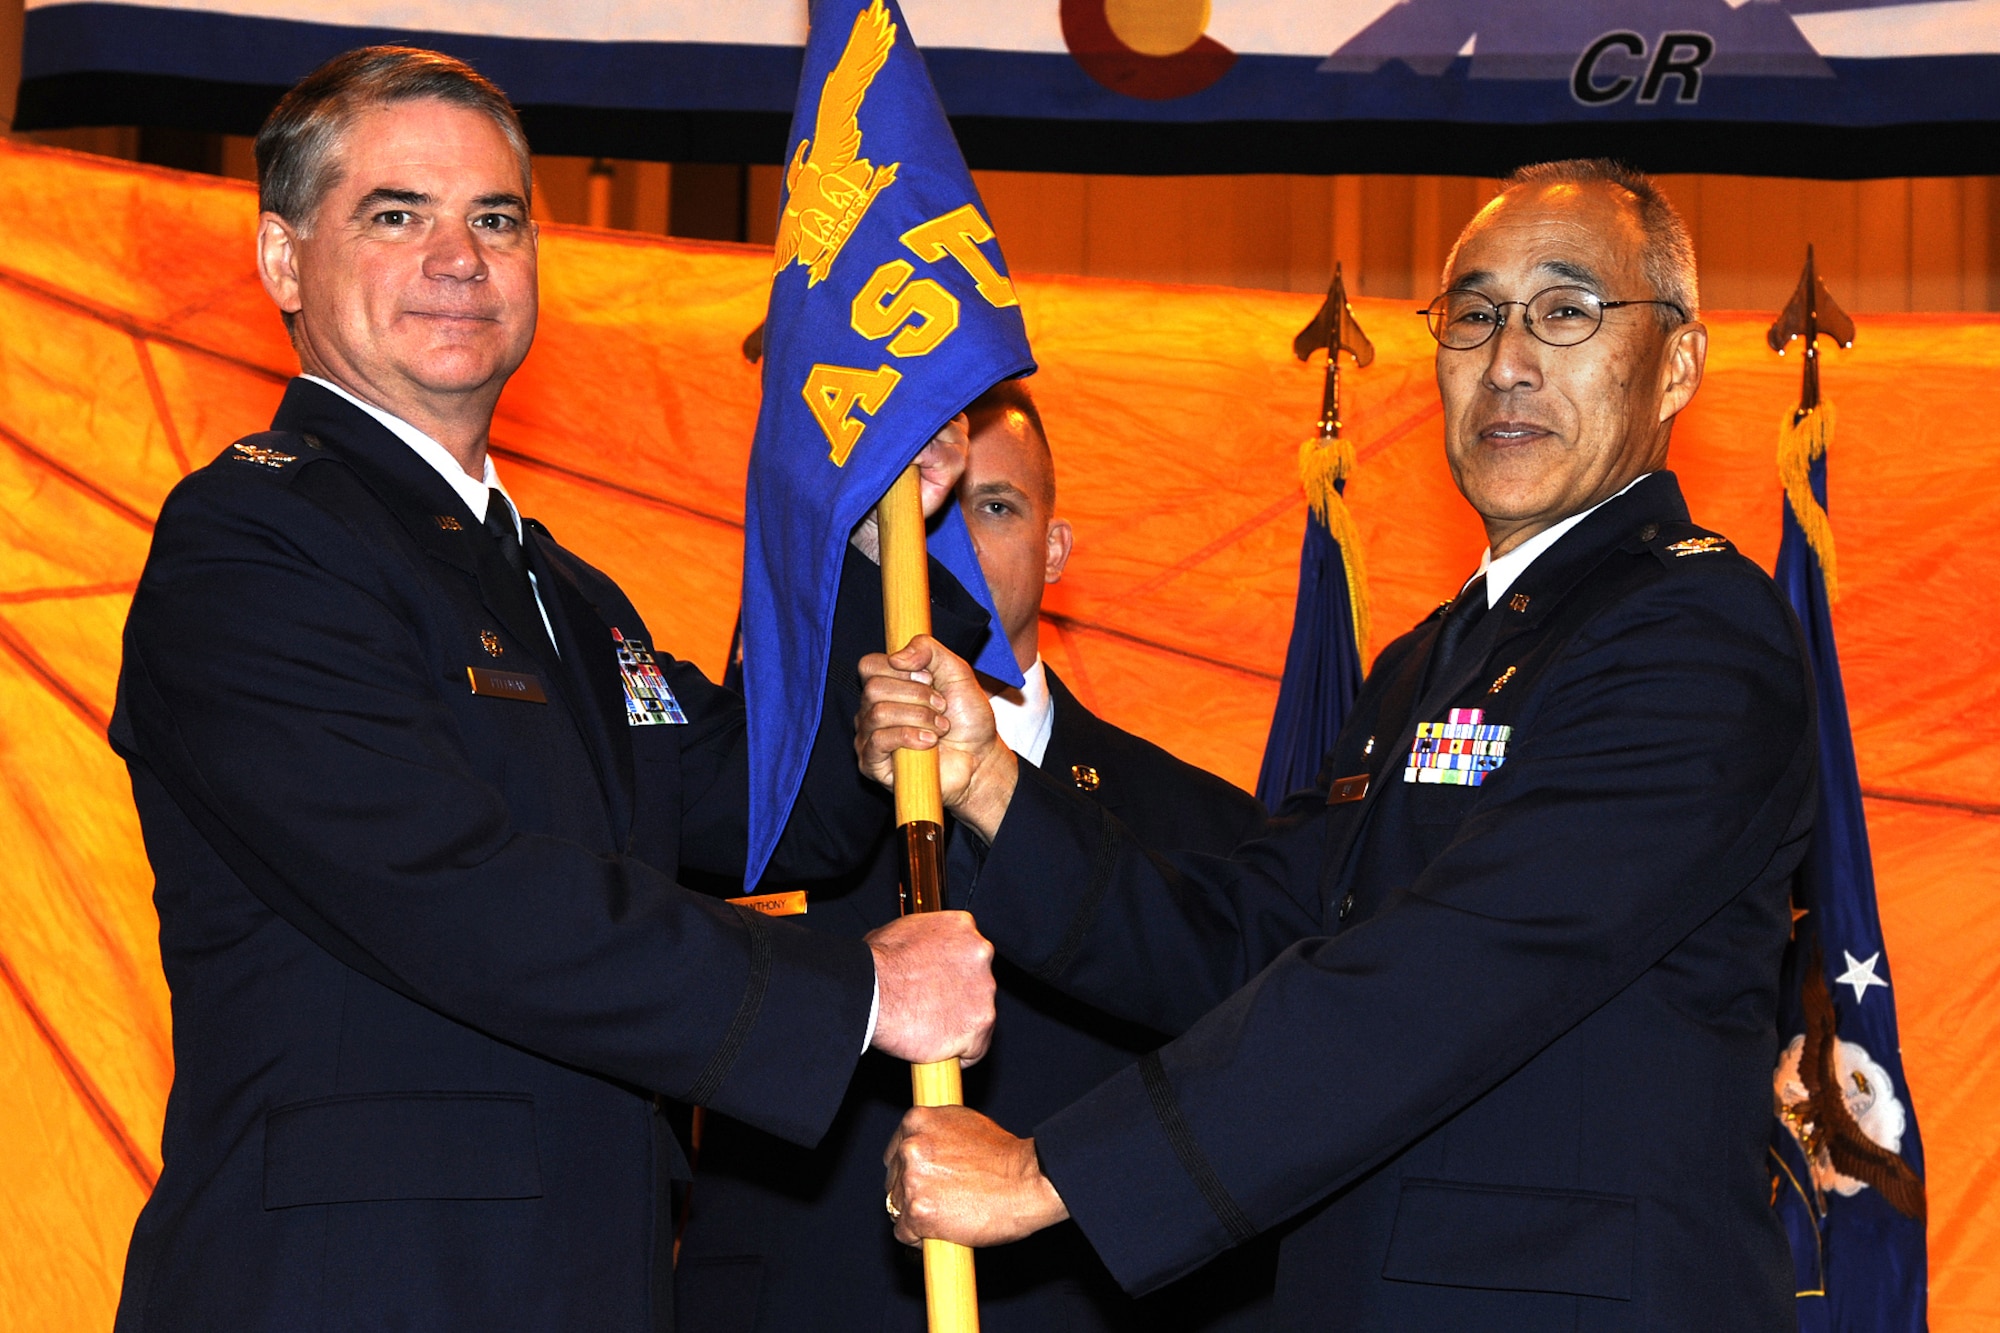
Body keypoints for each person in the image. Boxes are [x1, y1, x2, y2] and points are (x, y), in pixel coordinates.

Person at [107, 47, 995, 1333]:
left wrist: (868, 539)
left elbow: (769, 808)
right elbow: (450, 890)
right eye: (395, 214)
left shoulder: (565, 596)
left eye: (497, 218)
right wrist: (853, 993)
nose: (458, 258)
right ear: (283, 262)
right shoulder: (252, 544)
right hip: (356, 1289)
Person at [861, 160, 1816, 1331]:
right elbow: (1253, 937)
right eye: (1473, 316)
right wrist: (992, 784)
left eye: (1566, 311)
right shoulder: (1429, 660)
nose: (1507, 362)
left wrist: (1053, 1174)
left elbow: (1454, 966)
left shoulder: (1692, 631)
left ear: (1675, 363)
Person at [677, 381, 1274, 1332]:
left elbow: (1245, 1112)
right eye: (921, 510)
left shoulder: (1198, 823)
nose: (946, 541)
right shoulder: (762, 787)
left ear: (1055, 548)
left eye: (992, 507)